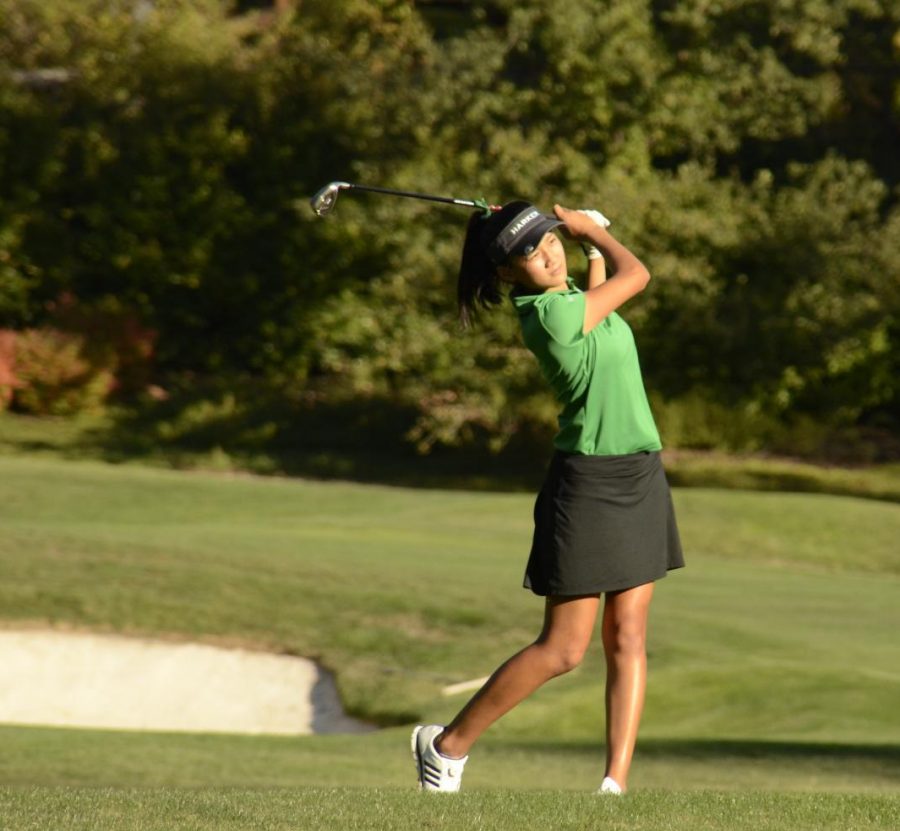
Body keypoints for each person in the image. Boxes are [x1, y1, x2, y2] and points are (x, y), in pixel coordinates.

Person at [410, 200, 685, 795]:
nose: (547, 252)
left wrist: (586, 250)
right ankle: (445, 745)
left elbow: (601, 304)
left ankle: (614, 786)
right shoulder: (550, 318)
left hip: (639, 473)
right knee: (563, 650)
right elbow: (638, 276)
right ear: (508, 274)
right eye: (531, 253)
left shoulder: (572, 306)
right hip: (587, 486)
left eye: (548, 240)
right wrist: (595, 234)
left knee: (629, 635)